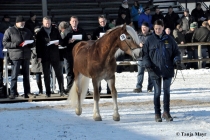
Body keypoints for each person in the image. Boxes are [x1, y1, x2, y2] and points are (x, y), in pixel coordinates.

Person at [143, 20, 181, 122]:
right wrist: (147, 63)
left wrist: (177, 59)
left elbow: (176, 52)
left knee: (167, 91)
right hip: (154, 70)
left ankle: (166, 112)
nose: (157, 30)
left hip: (167, 69)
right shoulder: (149, 40)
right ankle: (157, 113)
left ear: (163, 27)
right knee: (157, 92)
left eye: (159, 28)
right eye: (156, 29)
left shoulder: (170, 39)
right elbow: (145, 55)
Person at [3, 15, 34, 99]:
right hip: (15, 56)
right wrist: (15, 44)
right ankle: (13, 92)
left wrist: (31, 43)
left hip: (26, 55)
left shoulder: (27, 31)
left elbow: (33, 41)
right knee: (14, 75)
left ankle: (27, 92)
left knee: (26, 76)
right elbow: (5, 43)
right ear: (16, 23)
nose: (22, 23)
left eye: (23, 22)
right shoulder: (9, 31)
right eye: (21, 22)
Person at [36, 16, 65, 97]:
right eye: (46, 23)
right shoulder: (40, 32)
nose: (48, 24)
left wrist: (58, 42)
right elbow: (38, 46)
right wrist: (39, 56)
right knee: (46, 75)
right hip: (45, 56)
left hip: (55, 55)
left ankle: (62, 90)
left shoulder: (55, 30)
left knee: (59, 74)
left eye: (49, 22)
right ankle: (48, 91)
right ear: (43, 23)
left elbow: (61, 40)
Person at [63, 16, 88, 93]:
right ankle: (70, 88)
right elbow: (62, 42)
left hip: (80, 55)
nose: (74, 23)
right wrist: (68, 42)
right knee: (69, 72)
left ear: (78, 22)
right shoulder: (66, 31)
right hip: (69, 54)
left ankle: (82, 88)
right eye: (73, 21)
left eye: (76, 21)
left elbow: (86, 41)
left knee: (81, 72)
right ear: (70, 22)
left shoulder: (82, 31)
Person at [92, 15, 111, 94]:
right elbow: (92, 41)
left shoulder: (110, 30)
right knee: (98, 72)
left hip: (108, 53)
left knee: (109, 71)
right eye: (101, 22)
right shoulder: (96, 30)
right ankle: (98, 88)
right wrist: (98, 41)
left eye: (103, 21)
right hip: (99, 54)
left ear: (106, 21)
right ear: (99, 22)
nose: (102, 23)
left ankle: (109, 89)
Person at [133, 22, 153, 93]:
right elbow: (134, 45)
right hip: (141, 57)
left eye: (145, 27)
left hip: (149, 57)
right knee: (140, 73)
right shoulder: (138, 36)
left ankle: (150, 87)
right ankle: (139, 87)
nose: (143, 29)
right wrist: (139, 45)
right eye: (142, 27)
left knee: (151, 73)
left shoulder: (152, 36)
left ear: (148, 28)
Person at [30, 27, 43, 95]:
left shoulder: (43, 38)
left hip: (43, 58)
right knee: (38, 75)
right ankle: (40, 90)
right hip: (35, 59)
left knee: (47, 75)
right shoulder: (33, 40)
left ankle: (48, 89)